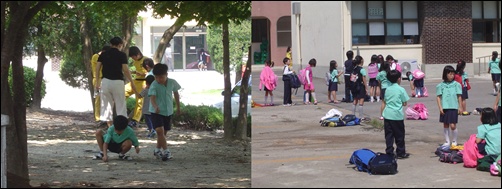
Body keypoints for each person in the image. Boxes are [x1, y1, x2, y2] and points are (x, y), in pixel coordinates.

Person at [95, 37, 140, 127]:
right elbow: (126, 70)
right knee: (120, 105)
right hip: (118, 82)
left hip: (106, 82)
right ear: (120, 45)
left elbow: (97, 68)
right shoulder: (122, 55)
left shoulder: (103, 54)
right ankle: (121, 129)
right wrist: (132, 82)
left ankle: (110, 128)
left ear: (111, 44)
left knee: (106, 106)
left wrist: (97, 82)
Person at [149, 63, 181, 161]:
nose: (159, 79)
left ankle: (157, 149)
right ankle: (166, 151)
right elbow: (152, 98)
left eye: (161, 77)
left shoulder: (172, 82)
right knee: (159, 131)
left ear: (166, 74)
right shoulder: (154, 84)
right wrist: (155, 106)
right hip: (156, 112)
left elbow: (176, 94)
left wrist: (178, 107)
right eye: (157, 77)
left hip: (168, 111)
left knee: (163, 133)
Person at [382, 70, 410, 159]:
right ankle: (400, 152)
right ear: (399, 79)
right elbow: (405, 102)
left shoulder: (387, 89)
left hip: (387, 114)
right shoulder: (401, 89)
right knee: (399, 135)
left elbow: (385, 101)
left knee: (389, 135)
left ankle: (389, 151)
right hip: (397, 116)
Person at [436, 65, 462, 147]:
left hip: (453, 107)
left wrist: (460, 107)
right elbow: (438, 97)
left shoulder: (456, 84)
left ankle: (454, 140)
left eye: (453, 74)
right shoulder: (440, 85)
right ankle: (447, 141)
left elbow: (459, 96)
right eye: (450, 74)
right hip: (445, 107)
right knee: (445, 124)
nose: (452, 76)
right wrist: (440, 107)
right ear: (445, 74)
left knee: (453, 125)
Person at [125, 46, 149, 128]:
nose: (132, 58)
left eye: (133, 56)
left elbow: (151, 71)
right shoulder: (135, 62)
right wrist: (133, 72)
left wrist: (142, 74)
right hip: (135, 81)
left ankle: (135, 120)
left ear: (138, 54)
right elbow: (137, 71)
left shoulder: (146, 60)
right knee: (122, 92)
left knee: (139, 102)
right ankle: (121, 114)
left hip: (143, 82)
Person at [91, 45, 110, 124]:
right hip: (97, 79)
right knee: (98, 99)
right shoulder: (96, 56)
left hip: (103, 79)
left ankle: (104, 116)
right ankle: (98, 118)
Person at [350, 55, 368, 119]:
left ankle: (353, 114)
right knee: (361, 101)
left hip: (354, 86)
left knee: (355, 100)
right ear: (361, 61)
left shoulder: (354, 68)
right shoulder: (362, 69)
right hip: (360, 86)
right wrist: (366, 87)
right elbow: (364, 79)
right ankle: (361, 116)